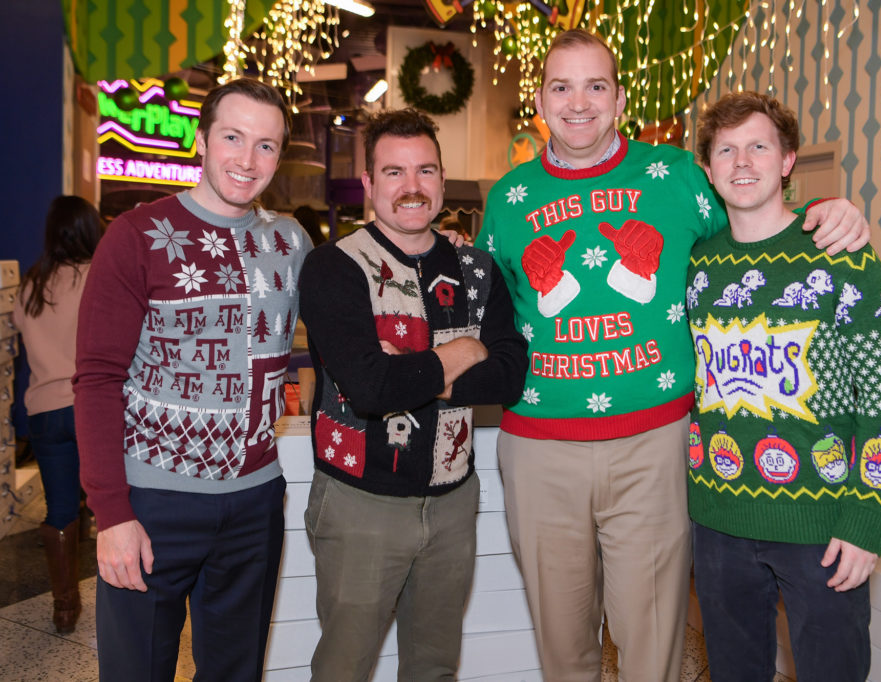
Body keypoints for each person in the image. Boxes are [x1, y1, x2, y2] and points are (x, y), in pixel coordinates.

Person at [476, 28, 873, 681]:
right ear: (540, 102)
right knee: (563, 644)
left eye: (596, 85)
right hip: (539, 451)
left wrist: (827, 212)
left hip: (655, 445)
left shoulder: (680, 177)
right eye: (562, 86)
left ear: (620, 98)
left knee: (652, 641)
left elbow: (761, 221)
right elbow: (484, 314)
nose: (580, 102)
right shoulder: (507, 201)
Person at [73, 77, 312, 680]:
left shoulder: (291, 242)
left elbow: (343, 333)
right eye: (233, 137)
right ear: (201, 141)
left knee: (236, 672)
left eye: (266, 145)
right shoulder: (137, 237)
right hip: (151, 502)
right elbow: (98, 379)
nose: (247, 159)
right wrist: (112, 514)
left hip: (255, 500)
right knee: (136, 671)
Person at [298, 107, 526, 681]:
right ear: (370, 184)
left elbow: (509, 377)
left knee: (434, 669)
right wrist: (462, 352)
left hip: (452, 503)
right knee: (344, 668)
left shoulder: (477, 270)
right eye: (394, 173)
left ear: (442, 181)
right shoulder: (334, 267)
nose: (411, 187)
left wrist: (415, 372)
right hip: (359, 504)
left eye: (425, 171)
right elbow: (372, 388)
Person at [686, 91, 881, 681]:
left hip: (822, 526)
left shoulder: (844, 256)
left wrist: (865, 524)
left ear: (787, 161)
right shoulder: (698, 265)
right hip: (718, 521)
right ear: (707, 169)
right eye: (725, 150)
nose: (742, 163)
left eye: (759, 146)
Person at [13, 194, 104, 634]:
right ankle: (119, 597)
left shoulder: (31, 284)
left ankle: (64, 607)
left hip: (44, 413)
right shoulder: (95, 277)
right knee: (109, 504)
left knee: (60, 508)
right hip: (91, 407)